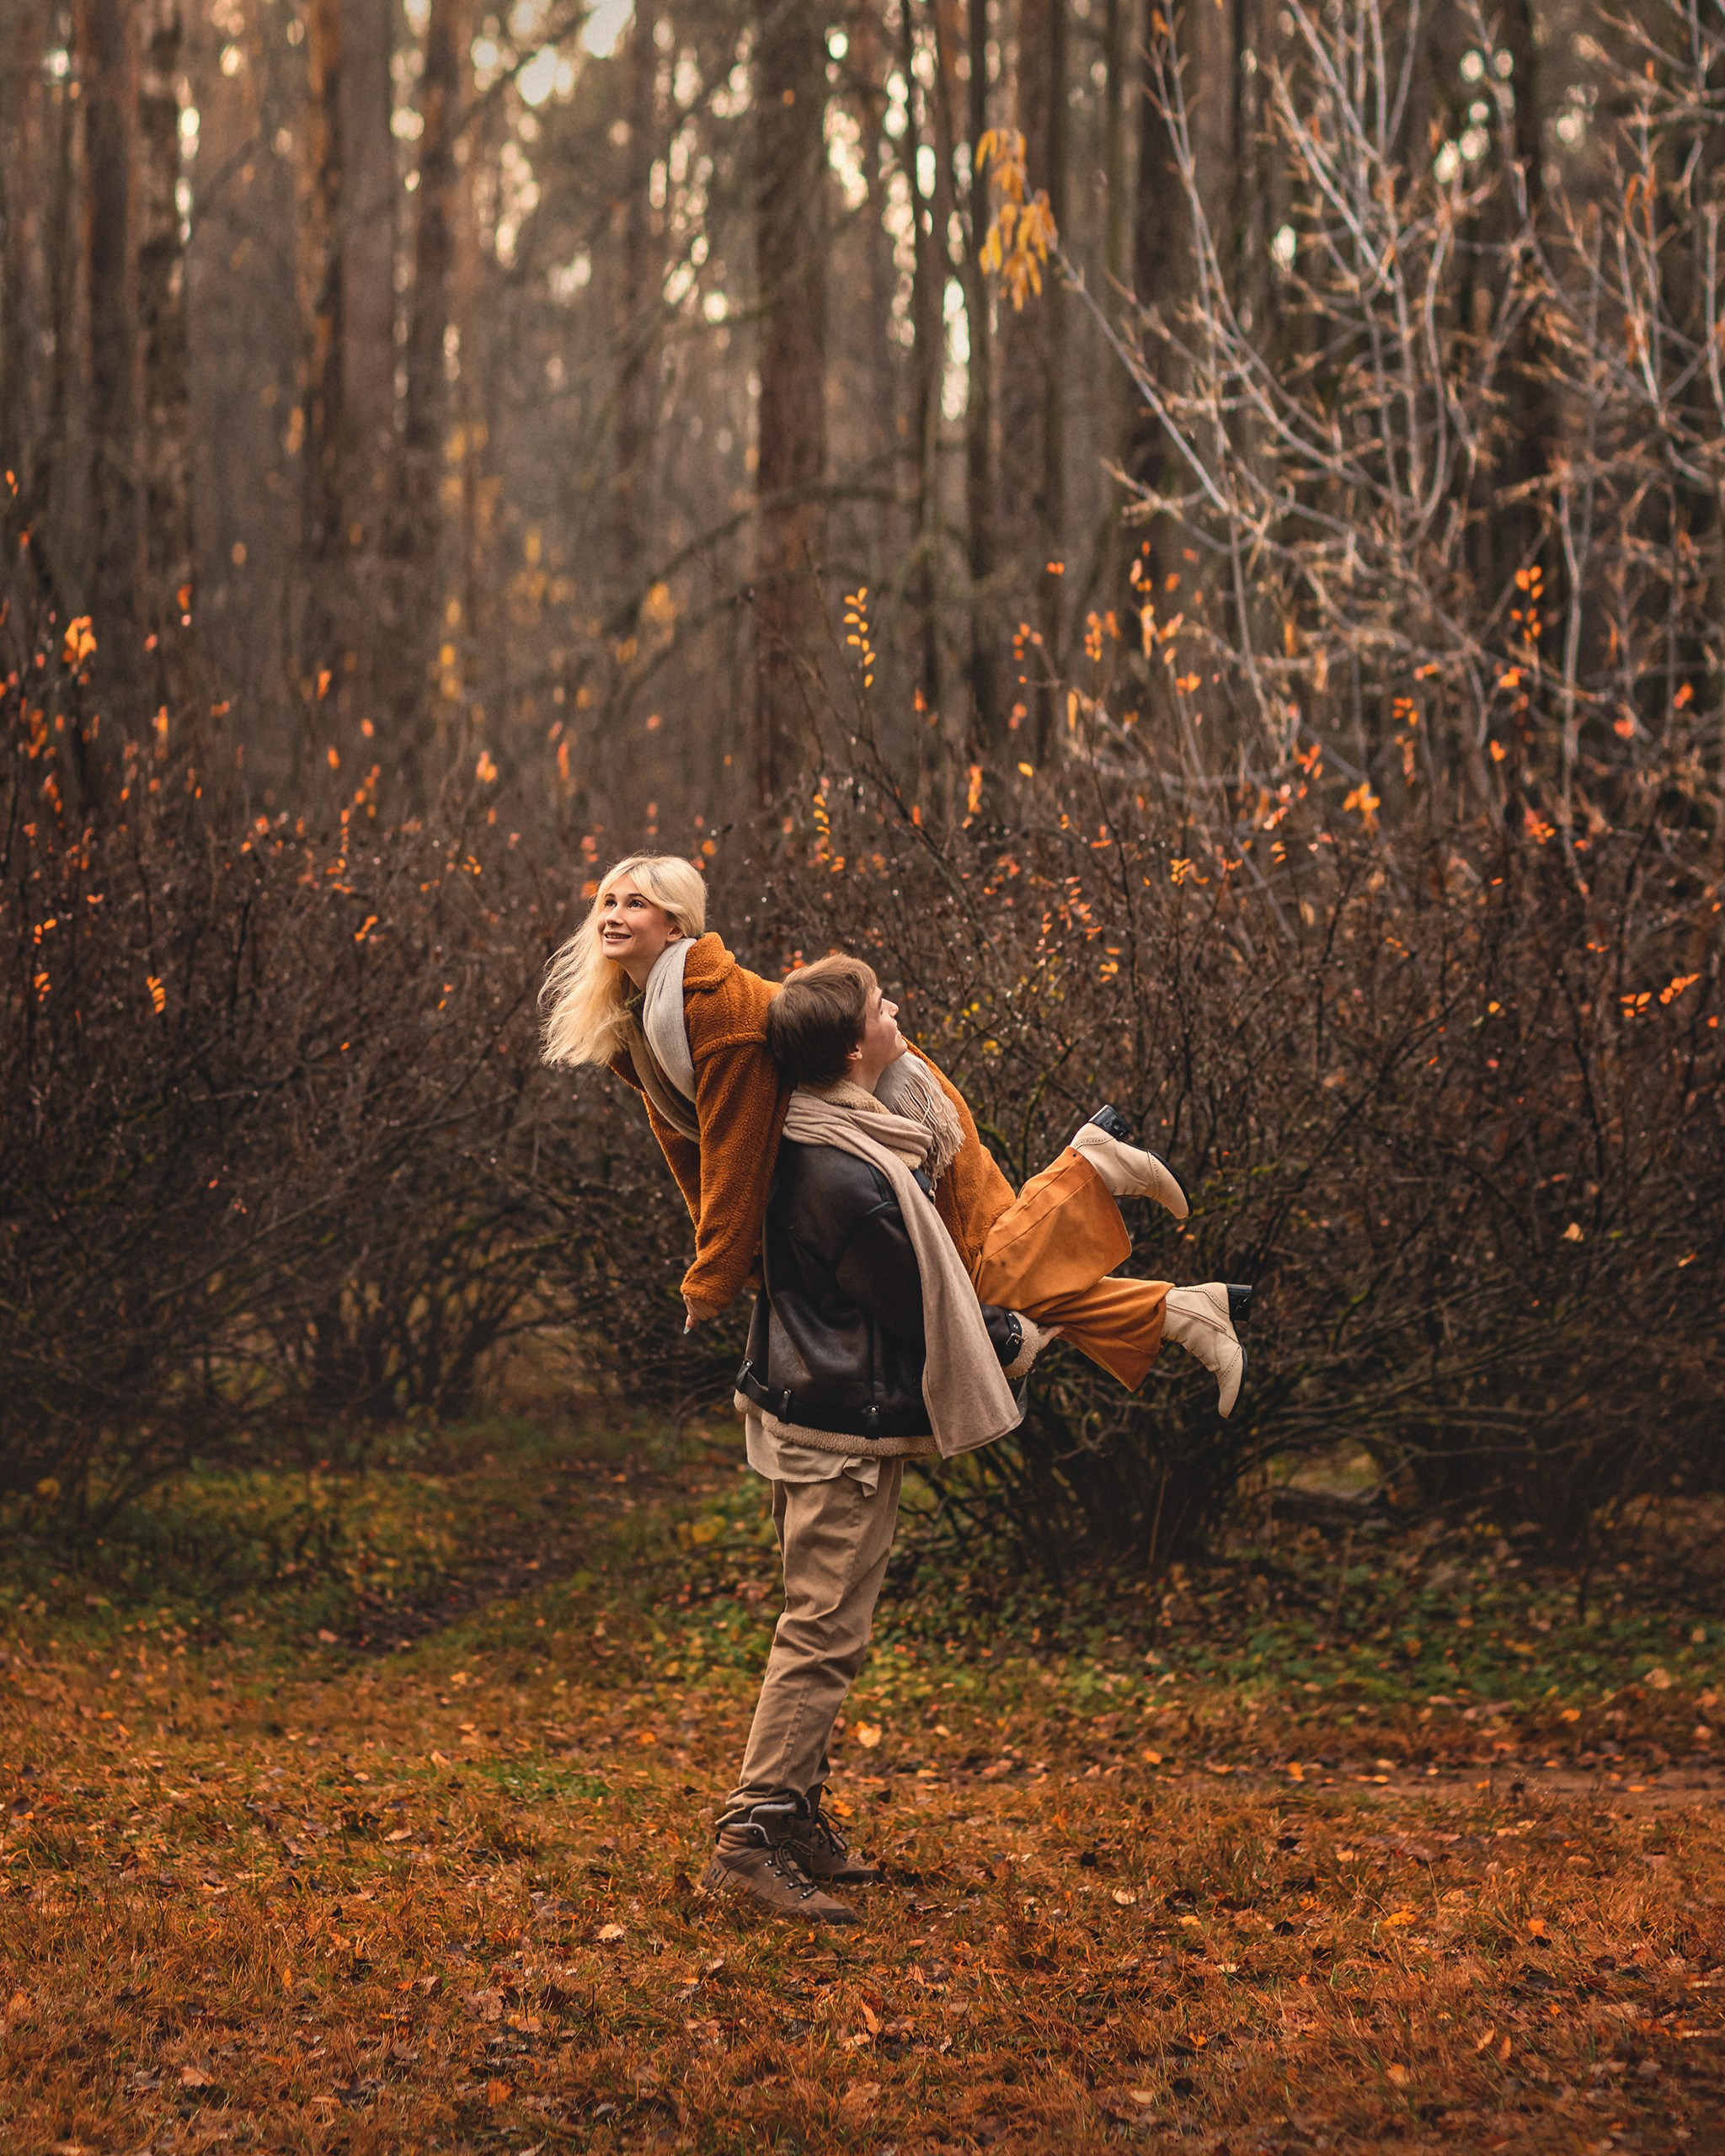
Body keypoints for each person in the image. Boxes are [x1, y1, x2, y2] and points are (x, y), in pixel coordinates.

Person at [696, 956, 1248, 1922]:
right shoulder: (844, 1174)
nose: (895, 1008)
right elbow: (925, 1313)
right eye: (879, 1006)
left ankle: (789, 1820)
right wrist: (1017, 1338)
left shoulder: (824, 1133)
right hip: (838, 1433)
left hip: (817, 1412)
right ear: (849, 1044)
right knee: (820, 1634)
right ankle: (751, 1834)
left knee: (822, 1625)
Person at [539, 853, 1249, 1414]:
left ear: (673, 925)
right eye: (608, 900)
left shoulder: (712, 1001)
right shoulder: (633, 1023)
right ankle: (1181, 1312)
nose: (615, 913)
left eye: (637, 902)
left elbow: (737, 1139)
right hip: (851, 1109)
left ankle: (1089, 1164)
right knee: (979, 1281)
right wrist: (731, 1254)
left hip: (901, 1096)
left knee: (983, 1271)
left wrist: (716, 1273)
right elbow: (684, 1138)